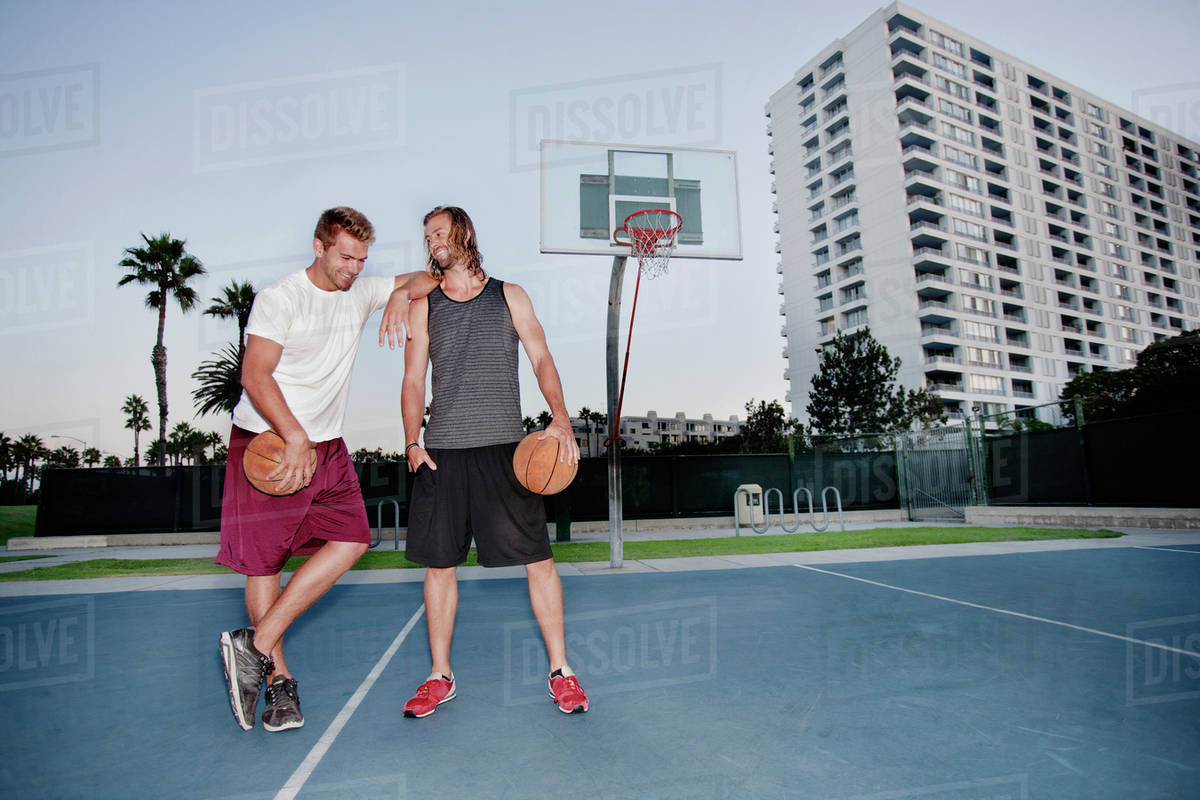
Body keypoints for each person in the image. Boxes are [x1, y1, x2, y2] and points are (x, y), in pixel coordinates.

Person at [217, 206, 437, 732]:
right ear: (319, 247)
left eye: (362, 259)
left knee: (354, 540)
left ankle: (255, 645)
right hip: (270, 444)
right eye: (345, 257)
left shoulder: (359, 291)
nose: (354, 268)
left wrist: (401, 294)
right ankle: (278, 683)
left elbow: (428, 278)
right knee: (264, 565)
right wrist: (294, 435)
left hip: (326, 446)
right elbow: (255, 375)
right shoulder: (280, 298)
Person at [401, 205, 589, 717]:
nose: (433, 240)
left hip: (507, 453)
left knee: (539, 561)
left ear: (464, 233)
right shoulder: (423, 306)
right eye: (427, 235)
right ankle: (439, 675)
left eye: (440, 231)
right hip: (442, 452)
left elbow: (542, 357)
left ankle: (561, 671)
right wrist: (412, 441)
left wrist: (560, 419)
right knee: (439, 567)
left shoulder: (511, 295)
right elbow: (413, 379)